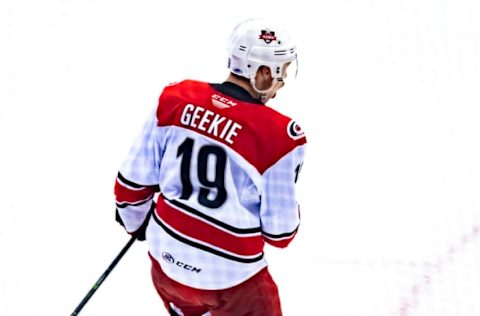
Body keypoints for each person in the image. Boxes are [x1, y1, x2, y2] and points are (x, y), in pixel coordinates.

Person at [114, 18, 307, 316]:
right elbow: (280, 234)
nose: (280, 85)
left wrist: (135, 223)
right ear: (264, 73)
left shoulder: (175, 98)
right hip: (233, 280)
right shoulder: (280, 136)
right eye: (281, 73)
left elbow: (131, 183)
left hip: (167, 265)